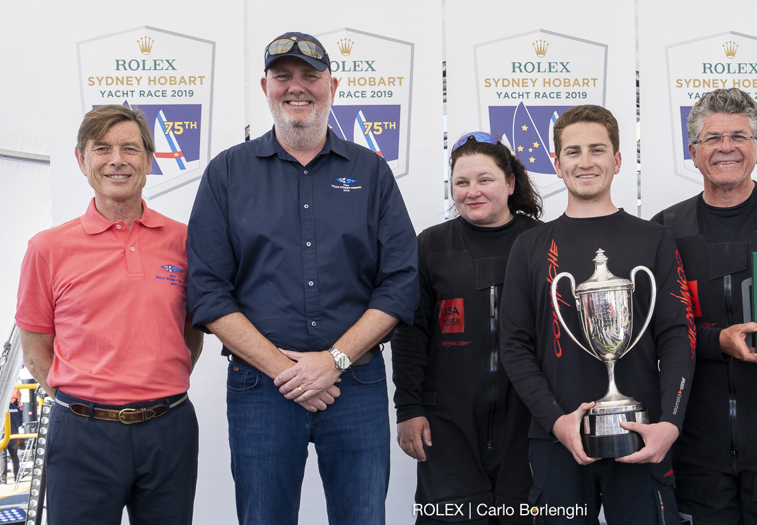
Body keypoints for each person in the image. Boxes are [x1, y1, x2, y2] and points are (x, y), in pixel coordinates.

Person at [186, 32, 418, 525]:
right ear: (264, 85)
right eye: (283, 76)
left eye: (310, 76)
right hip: (259, 387)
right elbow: (207, 292)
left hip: (355, 381)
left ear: (332, 85)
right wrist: (286, 370)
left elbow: (400, 282)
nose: (297, 87)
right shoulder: (226, 173)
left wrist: (334, 360)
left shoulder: (372, 172)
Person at [500, 105, 695, 524]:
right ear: (556, 163)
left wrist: (670, 423)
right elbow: (514, 347)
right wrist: (556, 422)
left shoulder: (655, 239)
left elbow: (678, 336)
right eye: (572, 152)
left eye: (597, 150)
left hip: (642, 437)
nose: (585, 162)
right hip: (556, 441)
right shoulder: (530, 246)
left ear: (618, 160)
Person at [15, 104, 203, 524]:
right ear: (82, 160)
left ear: (149, 161)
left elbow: (192, 335)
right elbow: (35, 353)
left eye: (130, 149)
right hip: (82, 434)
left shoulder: (185, 241)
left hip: (169, 430)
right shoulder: (46, 249)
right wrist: (89, 403)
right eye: (102, 148)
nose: (117, 159)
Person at [650, 87, 757, 523]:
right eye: (712, 138)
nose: (725, 147)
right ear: (693, 152)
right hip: (697, 445)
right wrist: (720, 342)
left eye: (739, 136)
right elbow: (661, 331)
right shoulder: (665, 228)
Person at [392, 132, 543, 524]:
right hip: (447, 425)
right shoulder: (430, 246)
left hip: (528, 425)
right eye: (461, 182)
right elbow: (410, 333)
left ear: (510, 184)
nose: (472, 191)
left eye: (484, 180)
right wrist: (408, 408)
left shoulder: (541, 243)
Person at [2, 390, 22, 484]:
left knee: (2, 457)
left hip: (3, 436)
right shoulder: (16, 409)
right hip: (14, 435)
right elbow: (20, 422)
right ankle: (16, 476)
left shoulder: (2, 409)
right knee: (14, 456)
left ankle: (2, 479)